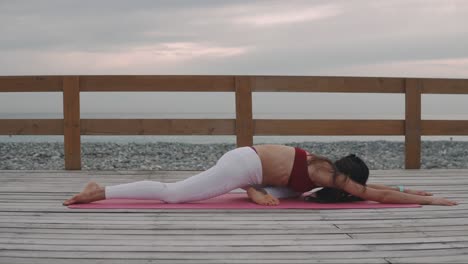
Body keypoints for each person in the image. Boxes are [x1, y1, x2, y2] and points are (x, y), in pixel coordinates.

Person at [63, 145, 458, 206]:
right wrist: (431, 201)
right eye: (349, 182)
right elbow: (376, 196)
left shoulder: (326, 171)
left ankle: (256, 191)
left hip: (257, 169)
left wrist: (409, 187)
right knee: (174, 195)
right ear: (343, 174)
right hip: (243, 164)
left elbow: (376, 190)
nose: (352, 188)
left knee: (292, 196)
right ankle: (102, 189)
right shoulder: (329, 173)